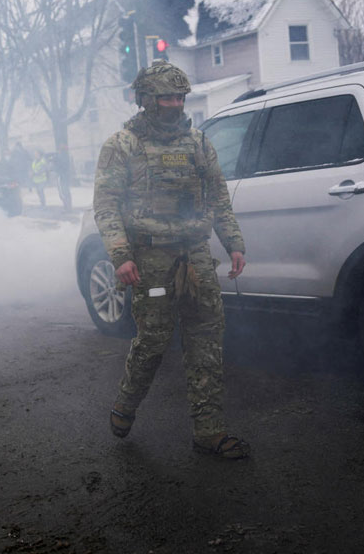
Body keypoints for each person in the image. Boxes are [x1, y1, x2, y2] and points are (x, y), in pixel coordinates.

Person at [93, 60, 250, 459]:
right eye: (166, 96)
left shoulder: (198, 143)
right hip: (151, 260)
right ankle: (126, 405)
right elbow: (107, 206)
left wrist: (233, 242)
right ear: (146, 99)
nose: (175, 104)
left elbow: (218, 195)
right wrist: (121, 255)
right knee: (154, 341)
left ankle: (209, 431)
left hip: (195, 255)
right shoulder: (122, 145)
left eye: (180, 97)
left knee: (206, 340)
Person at [52, 144, 73, 212]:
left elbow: (60, 167)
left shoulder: (61, 157)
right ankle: (68, 207)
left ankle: (67, 208)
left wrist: (55, 162)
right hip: (65, 176)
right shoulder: (66, 156)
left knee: (63, 192)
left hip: (61, 176)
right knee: (66, 192)